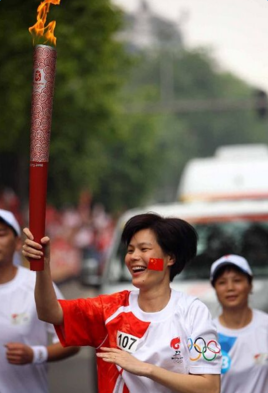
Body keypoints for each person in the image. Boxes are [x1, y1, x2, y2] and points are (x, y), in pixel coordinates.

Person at [23, 212, 221, 393]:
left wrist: (147, 369)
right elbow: (49, 312)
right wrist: (43, 266)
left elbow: (210, 388)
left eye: (144, 249)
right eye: (130, 250)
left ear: (169, 258)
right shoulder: (110, 309)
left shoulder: (193, 312)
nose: (133, 257)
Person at [0, 209, 80, 393]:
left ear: (17, 243)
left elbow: (73, 340)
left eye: (1, 234)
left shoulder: (35, 285)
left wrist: (36, 354)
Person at [210, 254, 268, 393]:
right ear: (215, 289)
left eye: (237, 280)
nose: (230, 288)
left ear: (250, 284)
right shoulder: (208, 335)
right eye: (222, 282)